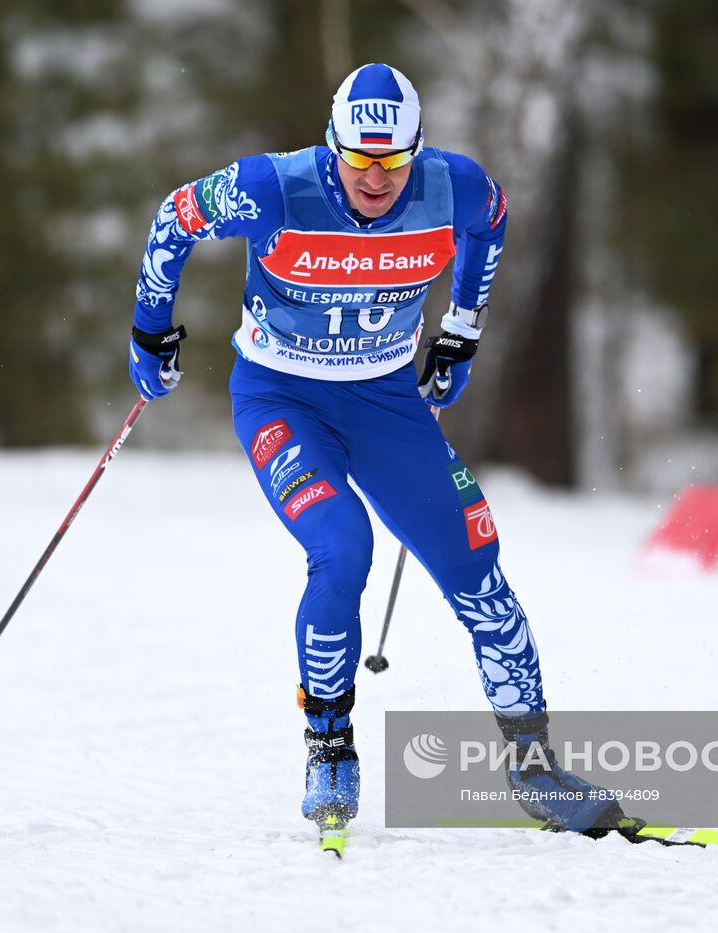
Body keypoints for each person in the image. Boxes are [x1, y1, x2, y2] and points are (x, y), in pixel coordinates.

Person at [128, 63, 634, 843]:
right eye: (357, 160)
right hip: (282, 400)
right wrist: (149, 329)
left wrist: (461, 330)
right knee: (343, 547)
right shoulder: (273, 188)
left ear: (416, 152)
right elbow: (176, 216)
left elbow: (491, 224)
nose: (374, 178)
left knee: (478, 568)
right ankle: (329, 746)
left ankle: (534, 768)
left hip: (387, 403)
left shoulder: (453, 186)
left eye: (392, 162)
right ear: (332, 146)